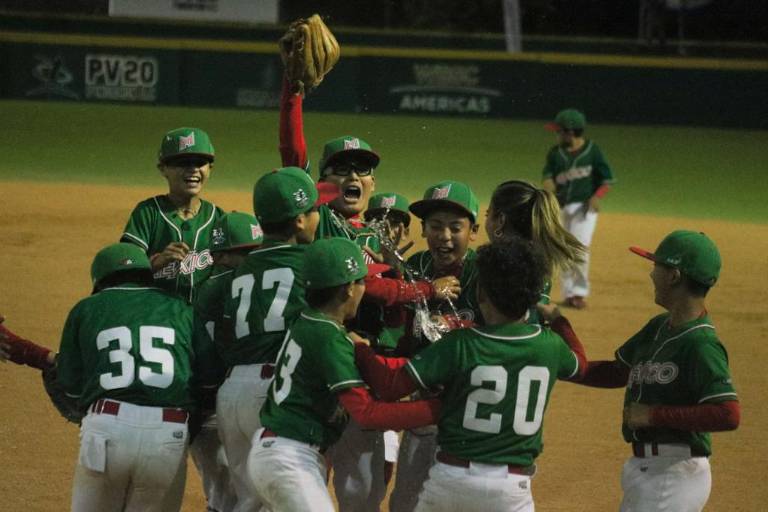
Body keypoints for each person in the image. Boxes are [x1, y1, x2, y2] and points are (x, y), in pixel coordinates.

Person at [354, 240, 588, 512]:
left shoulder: (461, 343)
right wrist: (560, 322)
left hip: (452, 481)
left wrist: (361, 349)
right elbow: (581, 367)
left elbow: (390, 386)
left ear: (481, 294)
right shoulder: (549, 345)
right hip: (512, 489)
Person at [248, 237, 441, 512]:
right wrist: (436, 410)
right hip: (289, 458)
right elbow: (367, 413)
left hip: (279, 452)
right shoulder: (329, 336)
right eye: (363, 281)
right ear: (349, 289)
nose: (366, 289)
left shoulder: (309, 320)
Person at [2, 243, 199, 511]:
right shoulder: (182, 309)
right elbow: (202, 375)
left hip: (108, 428)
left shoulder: (87, 308)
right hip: (168, 432)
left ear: (99, 279)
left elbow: (71, 384)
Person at [572, 230, 740, 511]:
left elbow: (728, 414)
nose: (652, 274)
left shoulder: (701, 344)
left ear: (674, 275)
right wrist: (562, 364)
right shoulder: (659, 326)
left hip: (674, 473)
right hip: (652, 471)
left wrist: (653, 415)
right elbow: (617, 372)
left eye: (656, 266)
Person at [215, 167, 338, 511]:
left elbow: (225, 337)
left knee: (248, 501)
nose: (320, 216)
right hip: (273, 394)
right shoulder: (311, 262)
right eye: (316, 210)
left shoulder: (240, 269)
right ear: (299, 221)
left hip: (232, 394)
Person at [387, 179, 481, 512]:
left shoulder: (485, 275)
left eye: (455, 227)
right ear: (424, 229)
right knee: (406, 504)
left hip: (473, 416)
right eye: (435, 227)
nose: (444, 236)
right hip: (424, 412)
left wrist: (455, 325)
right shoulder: (412, 271)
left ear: (473, 231)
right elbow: (401, 338)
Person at [190, 211, 264, 512]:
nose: (252, 258)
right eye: (244, 252)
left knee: (228, 491)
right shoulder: (231, 286)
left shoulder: (205, 289)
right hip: (223, 401)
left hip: (217, 400)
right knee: (237, 490)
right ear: (221, 256)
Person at [121, 127, 225, 303]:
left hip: (202, 320)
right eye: (183, 163)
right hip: (157, 318)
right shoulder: (148, 213)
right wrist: (157, 263)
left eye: (200, 163)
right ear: (163, 169)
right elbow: (124, 268)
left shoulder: (218, 217)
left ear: (210, 169)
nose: (193, 169)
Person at [541, 108, 615, 309]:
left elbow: (607, 180)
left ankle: (579, 292)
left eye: (559, 131)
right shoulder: (555, 153)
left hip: (584, 208)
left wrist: (596, 197)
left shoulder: (593, 151)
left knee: (580, 248)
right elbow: (547, 176)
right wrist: (549, 189)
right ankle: (569, 294)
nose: (557, 134)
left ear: (570, 132)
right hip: (560, 207)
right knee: (563, 250)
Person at [484, 179, 586, 323]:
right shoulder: (539, 265)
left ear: (500, 221)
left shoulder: (490, 268)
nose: (486, 220)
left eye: (488, 214)